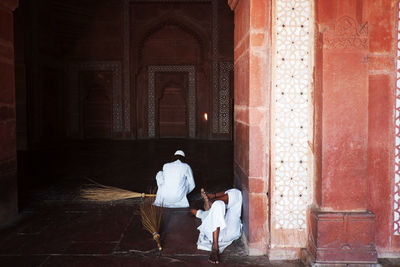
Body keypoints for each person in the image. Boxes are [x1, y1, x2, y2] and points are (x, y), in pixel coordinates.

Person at [190, 188, 242, 264]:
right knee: (218, 204)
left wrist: (213, 196)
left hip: (230, 230)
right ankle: (215, 248)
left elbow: (228, 193)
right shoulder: (205, 214)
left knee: (237, 193)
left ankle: (213, 201)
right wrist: (210, 200)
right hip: (214, 234)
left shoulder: (225, 204)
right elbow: (193, 211)